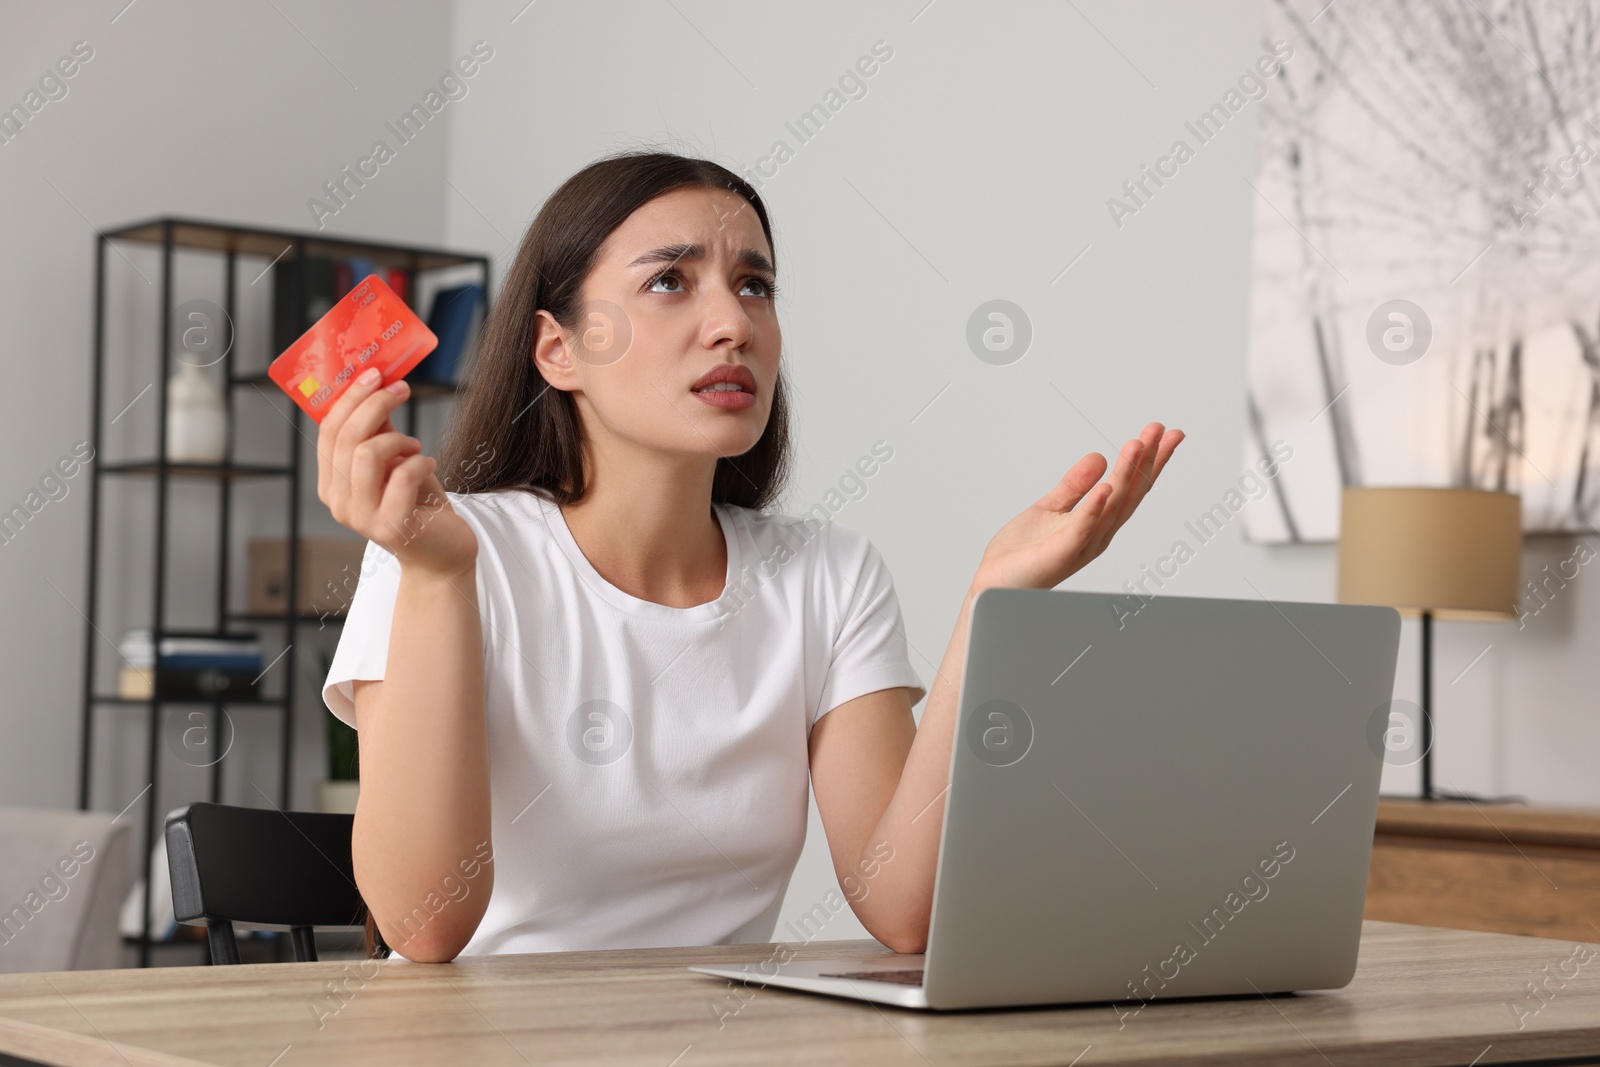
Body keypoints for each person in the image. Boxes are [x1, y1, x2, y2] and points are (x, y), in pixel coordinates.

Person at [317, 149, 1181, 963]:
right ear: (559, 349)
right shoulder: (445, 549)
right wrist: (436, 576)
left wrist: (994, 599)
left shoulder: (828, 575)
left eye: (755, 285)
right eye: (669, 281)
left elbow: (903, 909)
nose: (733, 323)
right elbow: (425, 924)